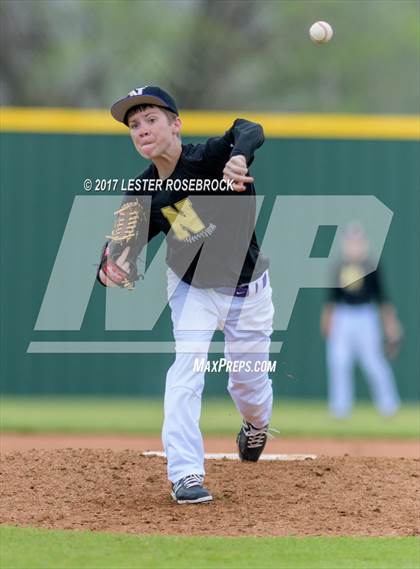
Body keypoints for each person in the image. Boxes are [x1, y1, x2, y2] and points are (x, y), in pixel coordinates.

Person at [98, 86, 275, 504]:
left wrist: (240, 155)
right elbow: (116, 257)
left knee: (249, 389)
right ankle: (185, 475)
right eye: (134, 125)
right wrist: (111, 268)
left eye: (151, 119)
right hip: (192, 289)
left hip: (247, 289)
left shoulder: (211, 158)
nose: (141, 129)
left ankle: (255, 427)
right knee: (186, 371)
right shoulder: (141, 196)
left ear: (176, 125)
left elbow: (249, 128)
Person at [320, 222, 402, 419]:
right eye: (350, 241)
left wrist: (391, 325)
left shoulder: (371, 265)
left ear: (363, 243)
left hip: (366, 315)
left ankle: (389, 406)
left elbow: (382, 298)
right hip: (343, 315)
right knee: (339, 361)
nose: (354, 245)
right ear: (345, 243)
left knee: (373, 361)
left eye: (357, 241)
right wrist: (327, 321)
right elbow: (331, 299)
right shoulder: (339, 266)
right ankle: (340, 409)